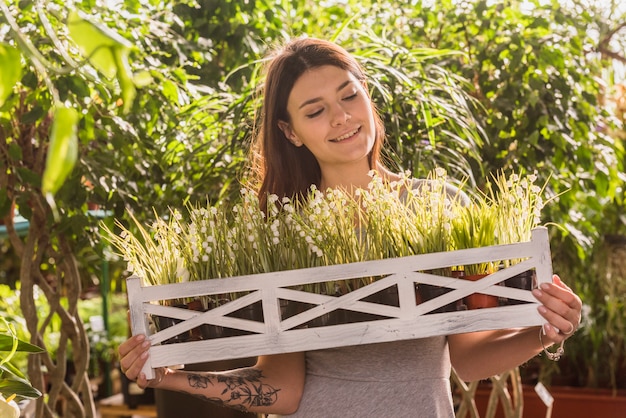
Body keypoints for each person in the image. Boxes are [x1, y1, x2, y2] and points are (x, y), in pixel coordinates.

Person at [118, 37, 583, 417]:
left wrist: (545, 331)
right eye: (315, 110)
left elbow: (467, 359)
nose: (341, 117)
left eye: (348, 95)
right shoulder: (286, 231)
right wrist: (172, 376)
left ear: (367, 96)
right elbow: (284, 388)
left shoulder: (439, 206)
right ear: (290, 132)